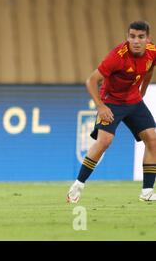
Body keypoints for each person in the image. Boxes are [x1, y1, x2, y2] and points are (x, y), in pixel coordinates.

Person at [67, 21, 156, 203]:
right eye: (132, 36)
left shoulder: (152, 52)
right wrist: (101, 106)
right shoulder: (117, 56)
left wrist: (142, 92)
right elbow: (91, 81)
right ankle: (78, 184)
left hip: (133, 101)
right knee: (104, 142)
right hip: (112, 102)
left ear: (148, 39)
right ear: (127, 37)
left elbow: (149, 69)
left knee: (152, 139)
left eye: (140, 37)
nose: (136, 41)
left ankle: (147, 192)